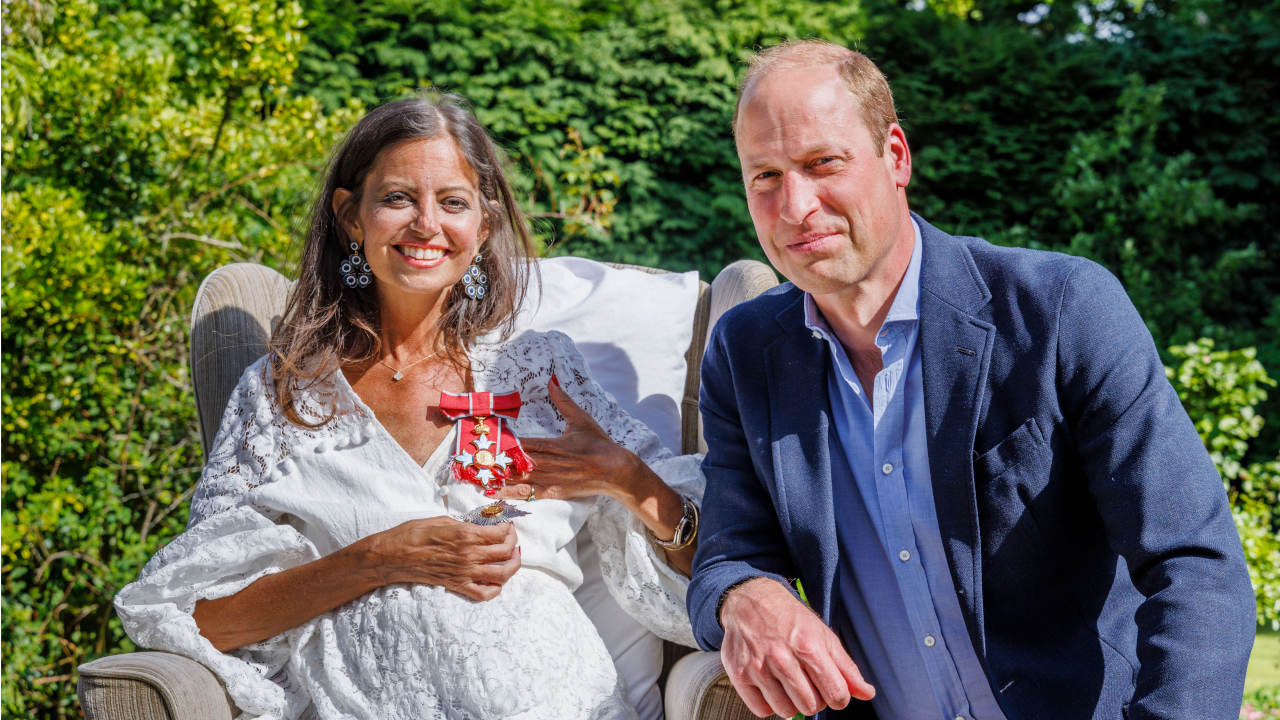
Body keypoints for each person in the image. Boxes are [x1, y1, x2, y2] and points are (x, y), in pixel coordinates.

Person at [687, 39, 1255, 720]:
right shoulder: (744, 351)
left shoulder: (1062, 309)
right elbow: (729, 550)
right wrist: (743, 593)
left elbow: (1194, 564)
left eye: (822, 164)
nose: (796, 206)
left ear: (895, 156)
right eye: (766, 177)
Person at [114, 92, 704, 720]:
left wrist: (625, 478)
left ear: (485, 226)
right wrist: (379, 558)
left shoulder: (539, 372)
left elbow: (702, 574)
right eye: (397, 198)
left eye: (453, 203)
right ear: (350, 217)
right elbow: (202, 619)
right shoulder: (283, 393)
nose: (426, 224)